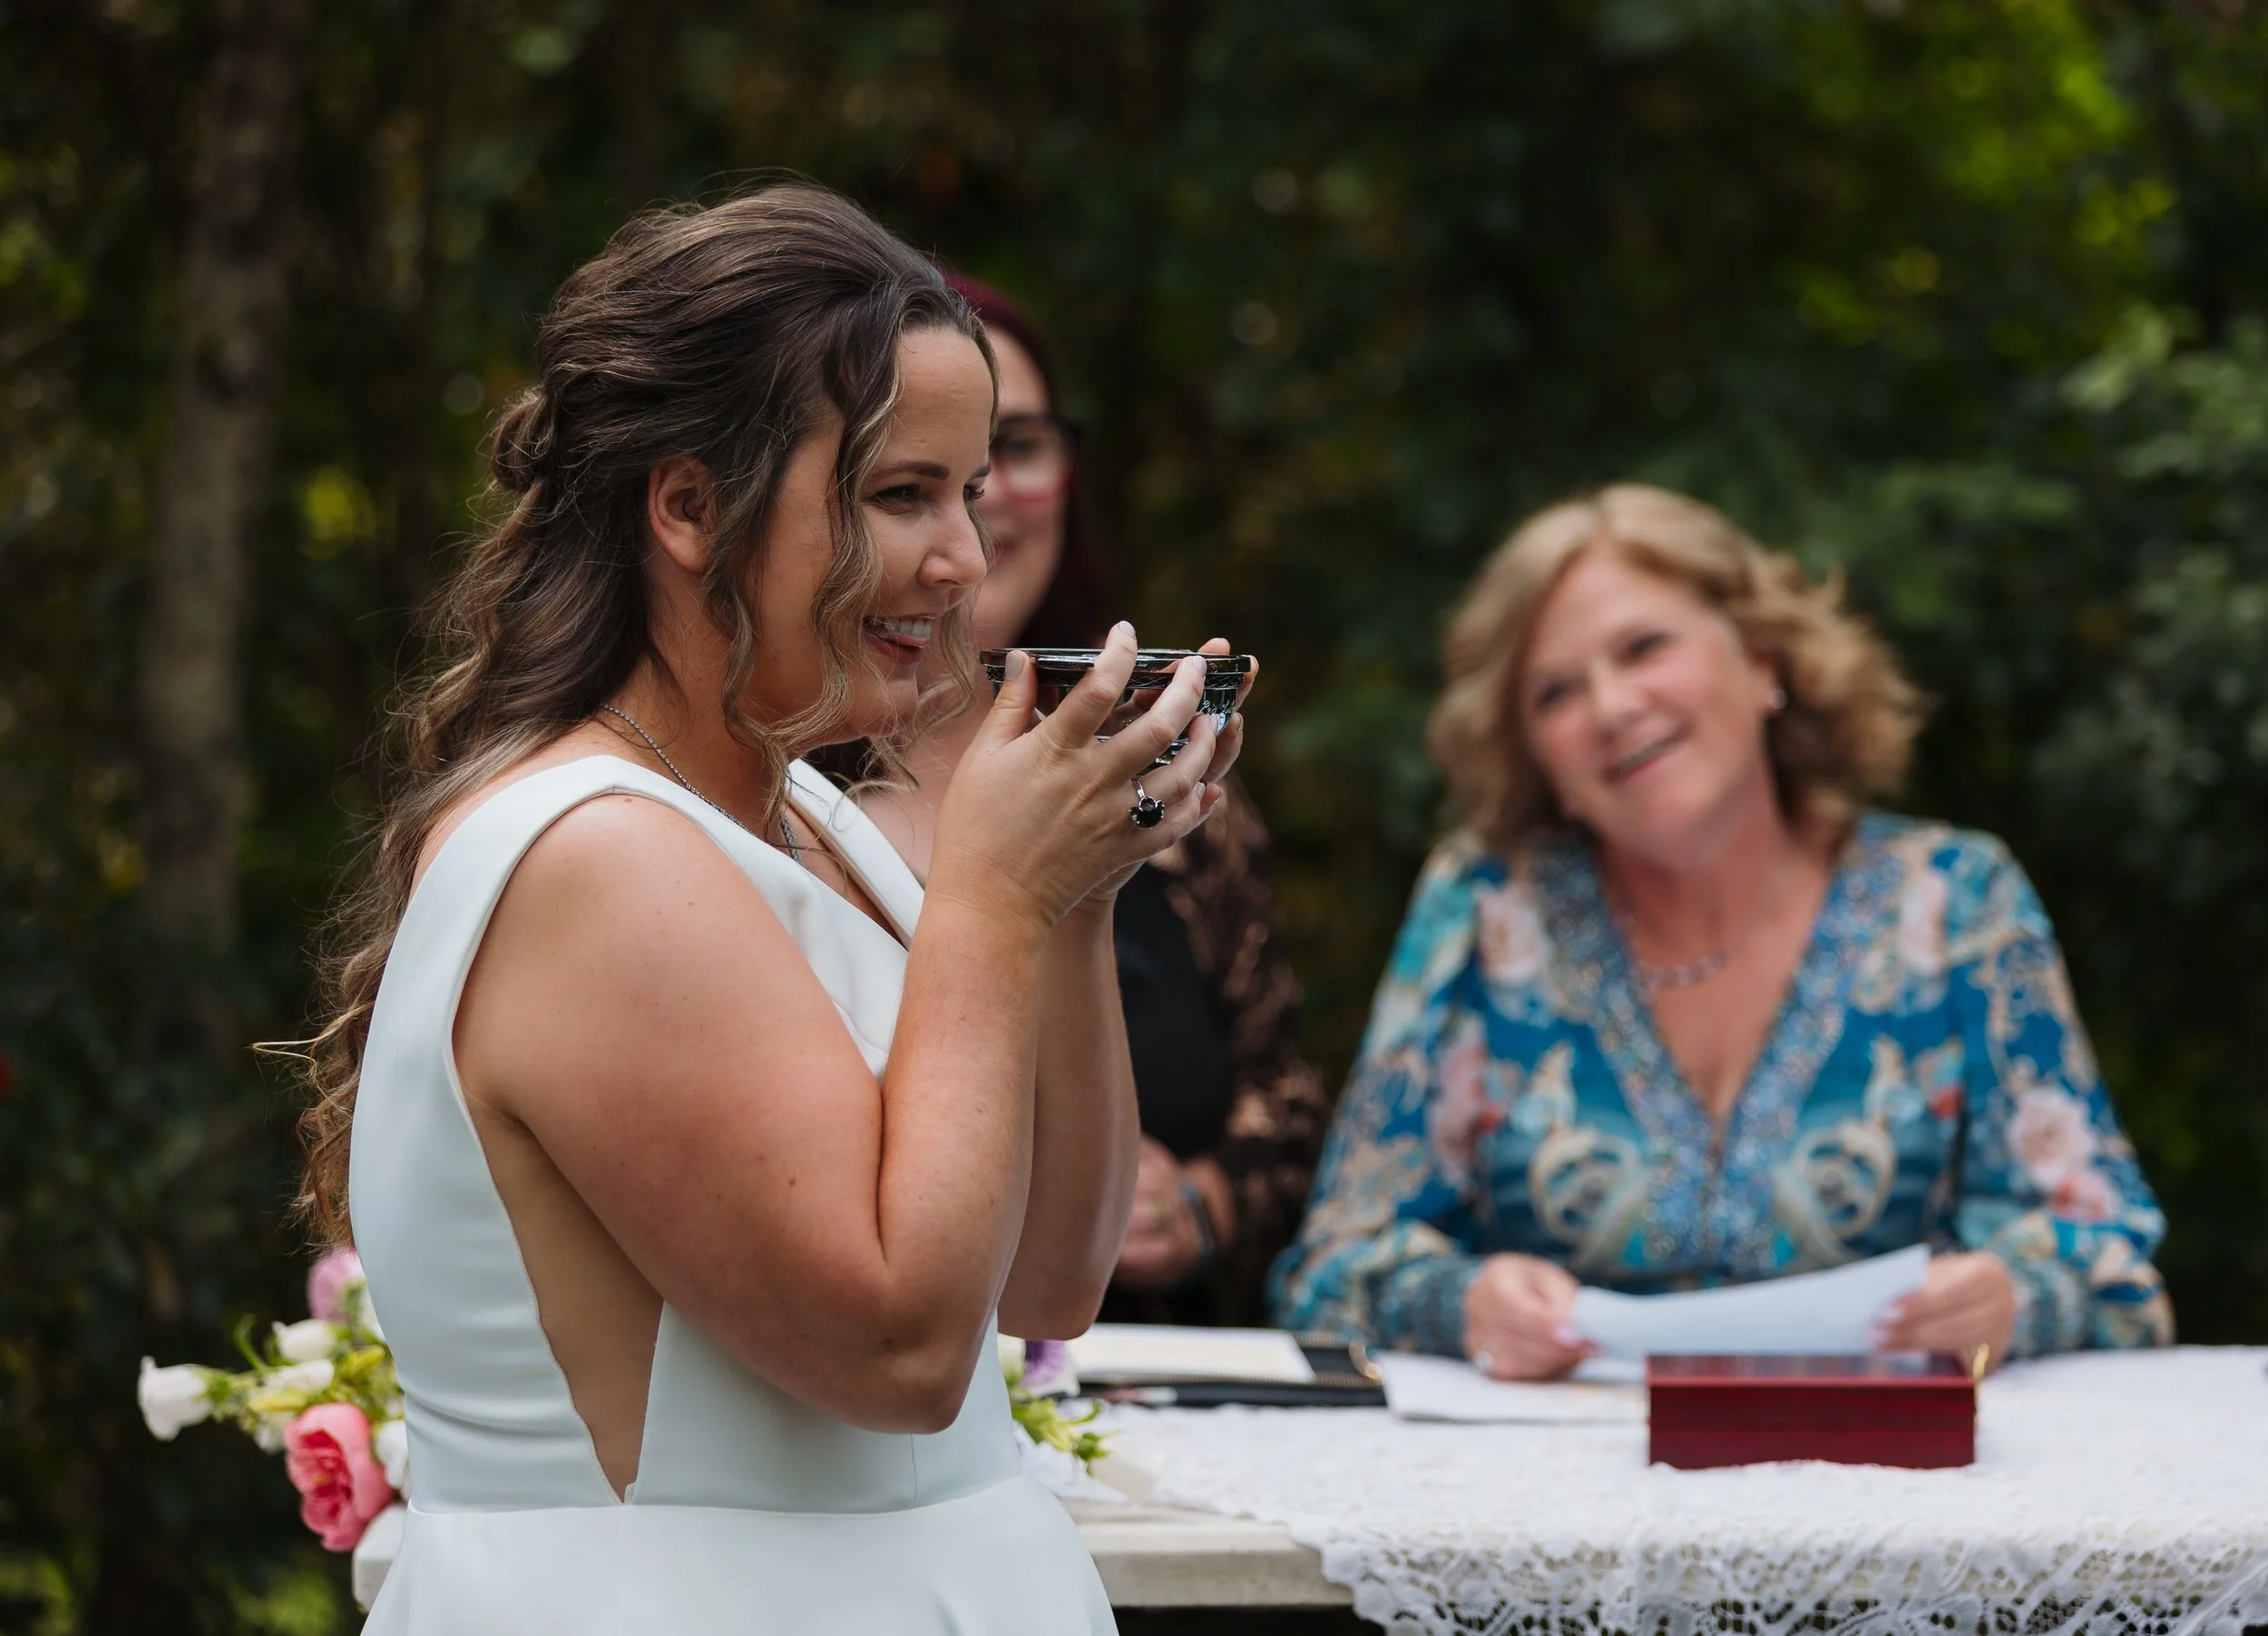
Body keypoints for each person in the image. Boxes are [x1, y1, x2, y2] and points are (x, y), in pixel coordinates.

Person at [295, 185, 1248, 1632]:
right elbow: (899, 1348)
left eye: (970, 493)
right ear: (686, 505)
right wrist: (988, 896)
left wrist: (1073, 890)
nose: (966, 561)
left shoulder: (807, 817)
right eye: (899, 493)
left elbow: (1048, 1276)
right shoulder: (596, 857)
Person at [1271, 484, 2173, 1377]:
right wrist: (1457, 1303)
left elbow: (2116, 1273)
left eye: (1643, 647)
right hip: (1572, 1495)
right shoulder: (1484, 912)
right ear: (1538, 760)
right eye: (1555, 692)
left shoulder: (1955, 900)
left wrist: (2010, 1299)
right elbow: (1330, 1270)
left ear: (1764, 664)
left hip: (1899, 1496)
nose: (1613, 705)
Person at [851, 274, 1327, 1327]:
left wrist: (1201, 1203)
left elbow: (1288, 1107)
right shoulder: (775, 790)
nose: (980, 515)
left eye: (1012, 453)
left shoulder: (1161, 773)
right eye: (912, 480)